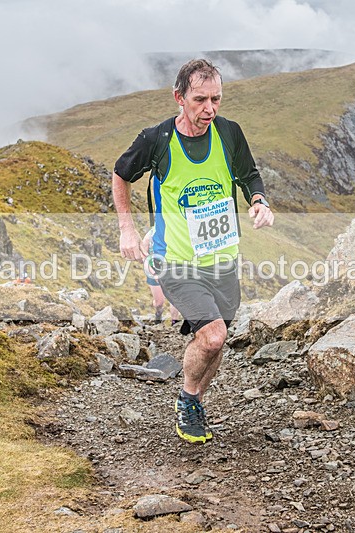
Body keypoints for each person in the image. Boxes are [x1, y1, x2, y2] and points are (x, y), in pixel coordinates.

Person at [113, 59, 274, 444]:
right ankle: (187, 399)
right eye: (200, 99)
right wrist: (127, 229)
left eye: (216, 98)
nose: (210, 108)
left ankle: (196, 401)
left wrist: (258, 199)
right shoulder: (157, 140)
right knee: (214, 336)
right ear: (179, 98)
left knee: (215, 339)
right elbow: (120, 175)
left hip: (222, 258)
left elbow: (248, 172)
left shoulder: (229, 133)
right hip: (177, 261)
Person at [143, 227, 182, 324]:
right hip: (154, 269)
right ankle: (158, 313)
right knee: (159, 302)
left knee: (175, 298)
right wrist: (154, 274)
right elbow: (144, 257)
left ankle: (174, 322)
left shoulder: (173, 230)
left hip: (170, 269)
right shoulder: (149, 236)